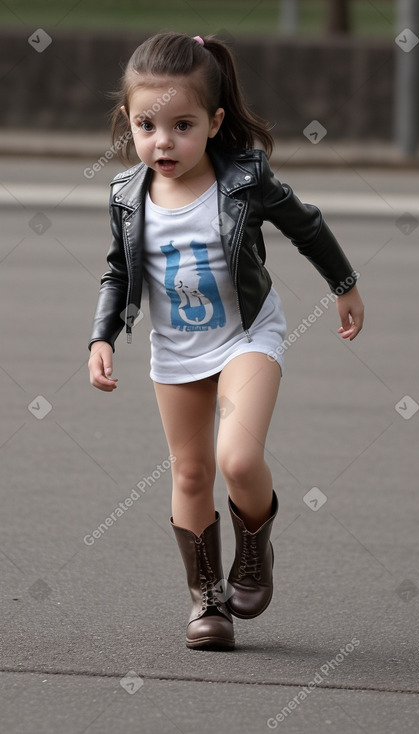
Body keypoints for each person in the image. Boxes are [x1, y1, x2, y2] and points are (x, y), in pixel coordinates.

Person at [88, 31, 364, 651]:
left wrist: (343, 283)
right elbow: (117, 270)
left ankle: (254, 547)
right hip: (176, 350)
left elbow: (304, 224)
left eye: (182, 125)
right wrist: (101, 336)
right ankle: (205, 600)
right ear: (127, 123)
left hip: (247, 334)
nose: (163, 141)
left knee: (238, 460)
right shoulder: (128, 198)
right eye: (146, 125)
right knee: (191, 473)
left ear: (214, 123)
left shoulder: (243, 180)